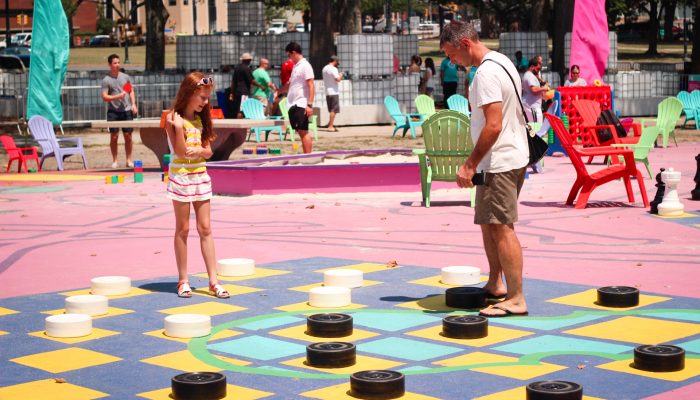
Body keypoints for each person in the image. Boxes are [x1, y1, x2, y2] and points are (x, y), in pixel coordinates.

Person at [440, 20, 529, 317]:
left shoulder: (487, 73)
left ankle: (516, 298)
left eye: (452, 54)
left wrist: (469, 164)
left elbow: (493, 124)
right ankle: (496, 284)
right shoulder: (500, 61)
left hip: (499, 161)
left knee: (502, 227)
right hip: (506, 157)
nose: (452, 61)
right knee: (489, 222)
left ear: (465, 44)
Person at [164, 72, 229, 299]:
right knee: (182, 229)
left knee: (206, 228)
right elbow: (181, 151)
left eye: (206, 98)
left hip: (200, 176)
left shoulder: (202, 118)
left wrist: (201, 151)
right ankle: (183, 280)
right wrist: (180, 128)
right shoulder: (173, 118)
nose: (204, 102)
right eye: (201, 97)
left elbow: (208, 151)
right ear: (190, 93)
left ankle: (214, 280)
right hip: (181, 176)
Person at [101, 54, 137, 169]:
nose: (117, 65)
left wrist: (133, 104)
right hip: (113, 111)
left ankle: (129, 160)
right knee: (114, 136)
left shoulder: (125, 77)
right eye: (115, 63)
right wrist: (117, 97)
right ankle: (115, 160)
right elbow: (104, 97)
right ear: (110, 65)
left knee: (128, 136)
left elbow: (130, 91)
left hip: (126, 110)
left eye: (118, 63)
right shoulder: (106, 80)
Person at [279, 41, 315, 153]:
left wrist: (309, 105)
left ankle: (308, 157)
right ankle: (306, 156)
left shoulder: (305, 66)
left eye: (289, 55)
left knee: (304, 131)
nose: (289, 58)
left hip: (301, 103)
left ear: (293, 53)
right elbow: (290, 84)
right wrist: (278, 91)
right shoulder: (296, 66)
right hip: (293, 103)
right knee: (300, 131)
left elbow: (311, 85)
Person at [229, 52, 264, 119]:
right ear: (247, 60)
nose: (250, 61)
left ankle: (239, 124)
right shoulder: (246, 68)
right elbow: (251, 80)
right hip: (244, 92)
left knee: (240, 108)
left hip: (237, 92)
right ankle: (239, 126)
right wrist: (260, 86)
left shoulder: (237, 68)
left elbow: (233, 82)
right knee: (241, 110)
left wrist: (232, 93)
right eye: (250, 60)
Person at [521, 56, 549, 123]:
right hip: (532, 107)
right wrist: (544, 88)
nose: (539, 70)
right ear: (532, 67)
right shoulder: (529, 76)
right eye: (538, 68)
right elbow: (534, 89)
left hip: (533, 106)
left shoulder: (530, 75)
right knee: (536, 129)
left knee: (535, 129)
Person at [322, 55, 342, 132]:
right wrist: (340, 75)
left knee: (331, 110)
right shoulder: (333, 69)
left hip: (327, 91)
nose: (337, 64)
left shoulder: (324, 68)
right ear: (335, 61)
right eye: (337, 62)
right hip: (334, 91)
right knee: (334, 110)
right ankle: (330, 126)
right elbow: (337, 79)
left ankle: (330, 123)